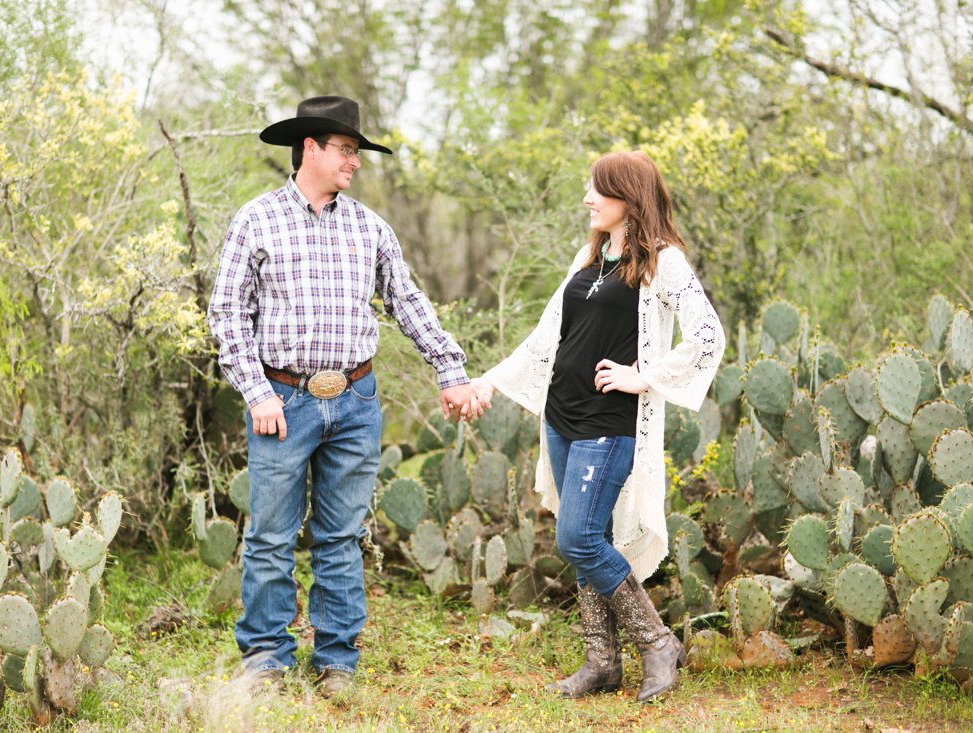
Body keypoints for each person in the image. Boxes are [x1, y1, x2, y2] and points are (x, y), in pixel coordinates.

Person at [208, 95, 482, 698]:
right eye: (345, 150)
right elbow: (227, 313)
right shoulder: (257, 219)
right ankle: (267, 661)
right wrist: (256, 393)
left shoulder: (369, 227)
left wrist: (450, 369)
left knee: (341, 536)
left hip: (355, 399)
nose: (354, 162)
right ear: (310, 148)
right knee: (272, 537)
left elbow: (408, 303)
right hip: (282, 399)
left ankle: (336, 661)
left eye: (356, 151)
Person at [471, 150, 724, 702]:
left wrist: (645, 375)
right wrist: (488, 381)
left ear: (628, 199)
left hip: (609, 423)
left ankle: (657, 643)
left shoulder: (664, 263)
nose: (587, 199)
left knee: (578, 537)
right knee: (591, 536)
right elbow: (544, 340)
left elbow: (708, 336)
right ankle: (601, 663)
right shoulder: (588, 260)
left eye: (597, 191)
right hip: (562, 418)